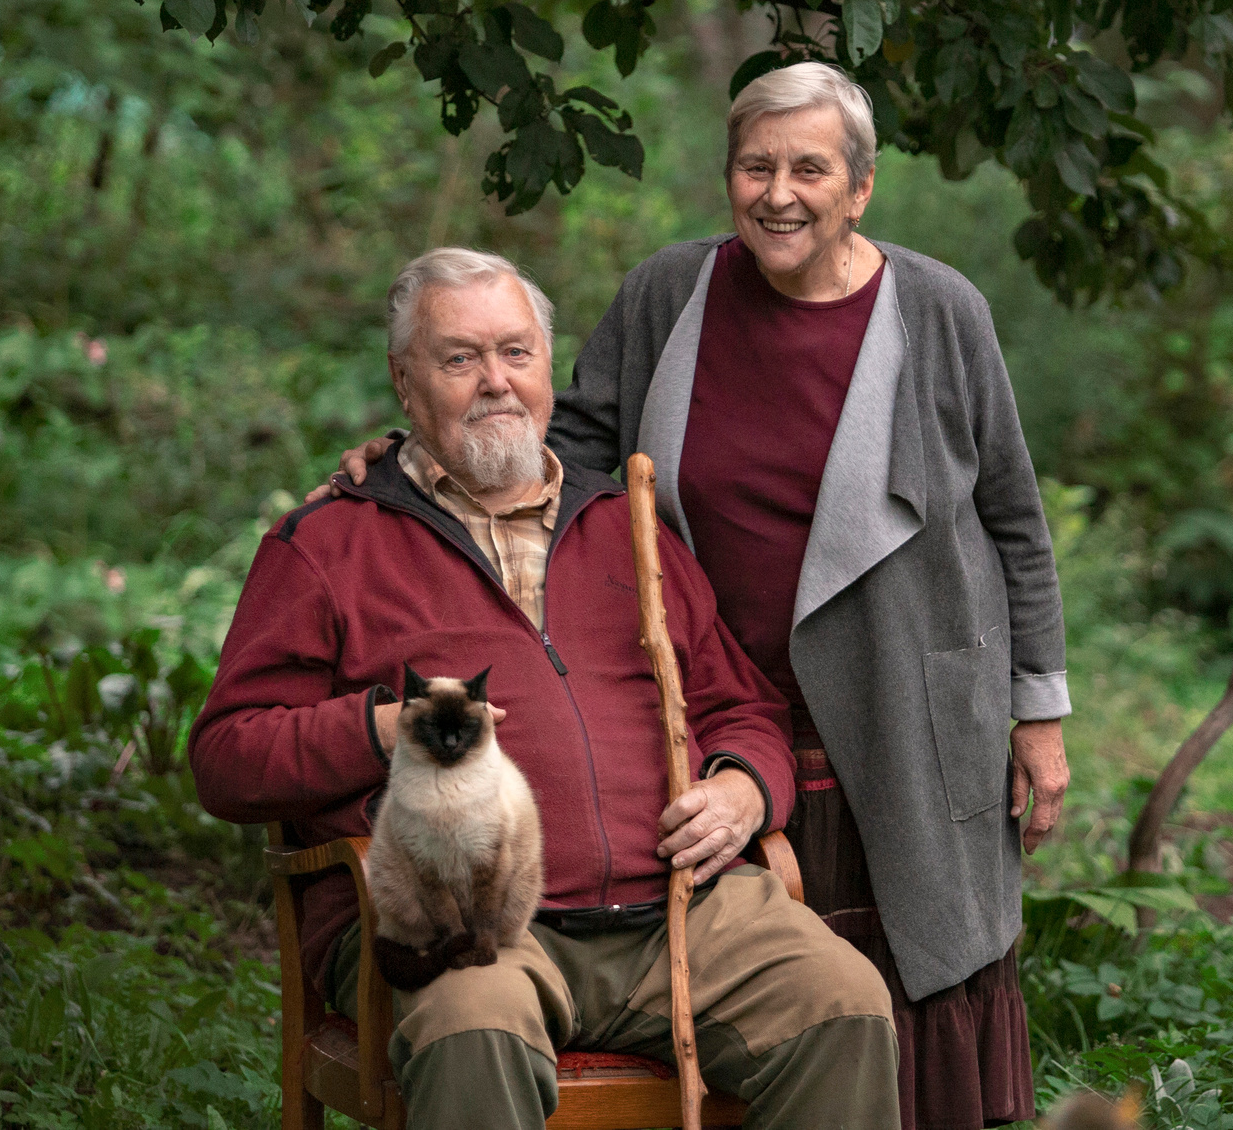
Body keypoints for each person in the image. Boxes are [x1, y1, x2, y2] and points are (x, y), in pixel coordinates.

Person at [330, 62, 1070, 1129]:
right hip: (716, 716)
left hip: (906, 701)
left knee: (906, 975)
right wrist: (409, 457)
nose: (779, 191)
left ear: (859, 188)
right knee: (759, 1001)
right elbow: (562, 452)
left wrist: (1038, 712)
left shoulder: (940, 310)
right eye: (754, 166)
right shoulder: (670, 294)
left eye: (809, 168)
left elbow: (1013, 514)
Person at [191, 247, 898, 1130]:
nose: (496, 380)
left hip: (680, 907)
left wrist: (743, 787)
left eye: (517, 353)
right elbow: (225, 757)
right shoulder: (331, 544)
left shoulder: (628, 526)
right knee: (471, 1026)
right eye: (460, 358)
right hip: (466, 923)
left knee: (842, 1001)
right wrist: (378, 728)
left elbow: (741, 707)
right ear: (404, 382)